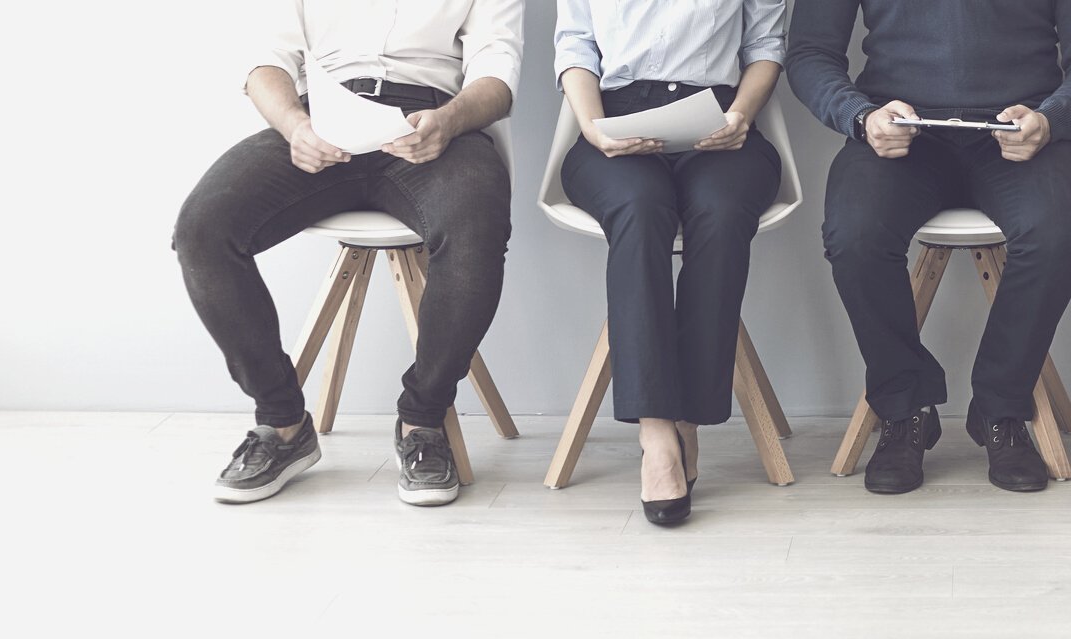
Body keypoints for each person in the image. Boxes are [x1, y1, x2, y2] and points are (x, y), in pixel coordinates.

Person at [178, 0, 521, 507]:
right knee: (203, 229)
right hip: (321, 119)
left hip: (431, 124)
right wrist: (295, 126)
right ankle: (283, 423)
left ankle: (423, 421)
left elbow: (498, 72)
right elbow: (265, 61)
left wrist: (447, 122)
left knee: (478, 228)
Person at [788, 0, 1071, 495]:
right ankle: (904, 408)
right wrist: (860, 117)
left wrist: (1051, 119)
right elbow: (810, 52)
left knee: (1056, 234)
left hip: (1022, 129)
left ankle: (1001, 408)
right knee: (855, 235)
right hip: (901, 130)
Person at [552, 0, 786, 527]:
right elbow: (576, 46)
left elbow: (766, 47)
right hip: (614, 121)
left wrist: (741, 115)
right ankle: (657, 433)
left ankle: (689, 420)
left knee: (722, 212)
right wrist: (593, 128)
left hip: (720, 122)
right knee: (639, 207)